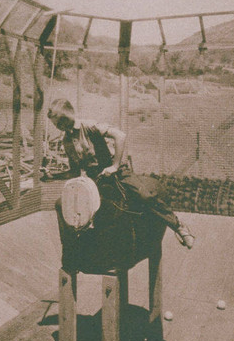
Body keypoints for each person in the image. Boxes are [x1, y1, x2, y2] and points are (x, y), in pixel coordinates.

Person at [47, 98, 194, 250]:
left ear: (67, 117)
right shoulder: (67, 141)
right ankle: (73, 249)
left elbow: (120, 136)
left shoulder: (89, 126)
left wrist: (115, 166)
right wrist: (53, 176)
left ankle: (178, 227)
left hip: (116, 173)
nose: (58, 127)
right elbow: (74, 172)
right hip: (94, 180)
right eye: (56, 124)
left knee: (144, 195)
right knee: (62, 205)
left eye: (59, 122)